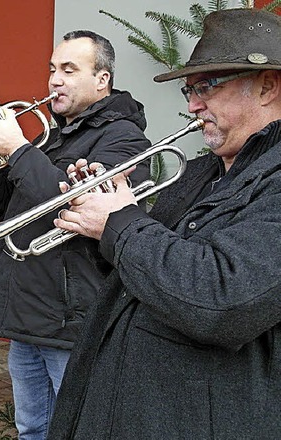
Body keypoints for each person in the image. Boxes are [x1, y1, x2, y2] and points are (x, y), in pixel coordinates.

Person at [47, 8, 281, 439]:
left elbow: (222, 302)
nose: (193, 104)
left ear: (267, 86)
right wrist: (95, 224)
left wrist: (121, 224)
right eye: (190, 90)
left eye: (207, 87)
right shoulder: (199, 172)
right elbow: (149, 274)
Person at [0, 31, 151, 439]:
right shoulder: (49, 136)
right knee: (31, 429)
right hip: (27, 314)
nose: (54, 80)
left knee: (72, 431)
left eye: (69, 70)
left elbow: (82, 205)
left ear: (102, 80)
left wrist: (17, 149)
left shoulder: (124, 138)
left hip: (71, 320)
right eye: (52, 69)